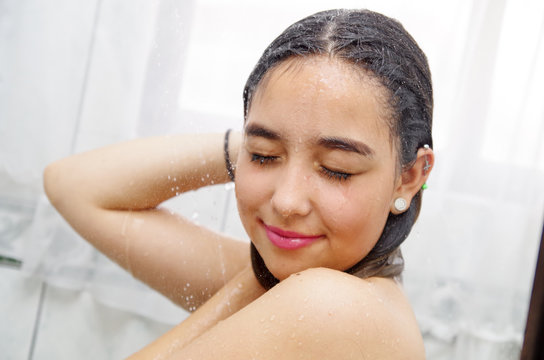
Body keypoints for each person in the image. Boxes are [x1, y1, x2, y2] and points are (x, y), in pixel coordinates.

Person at [44, 8, 434, 359]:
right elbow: (71, 185)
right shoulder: (339, 288)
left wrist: (246, 286)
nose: (286, 201)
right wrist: (253, 144)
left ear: (409, 177)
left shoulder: (330, 306)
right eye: (264, 156)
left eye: (336, 168)